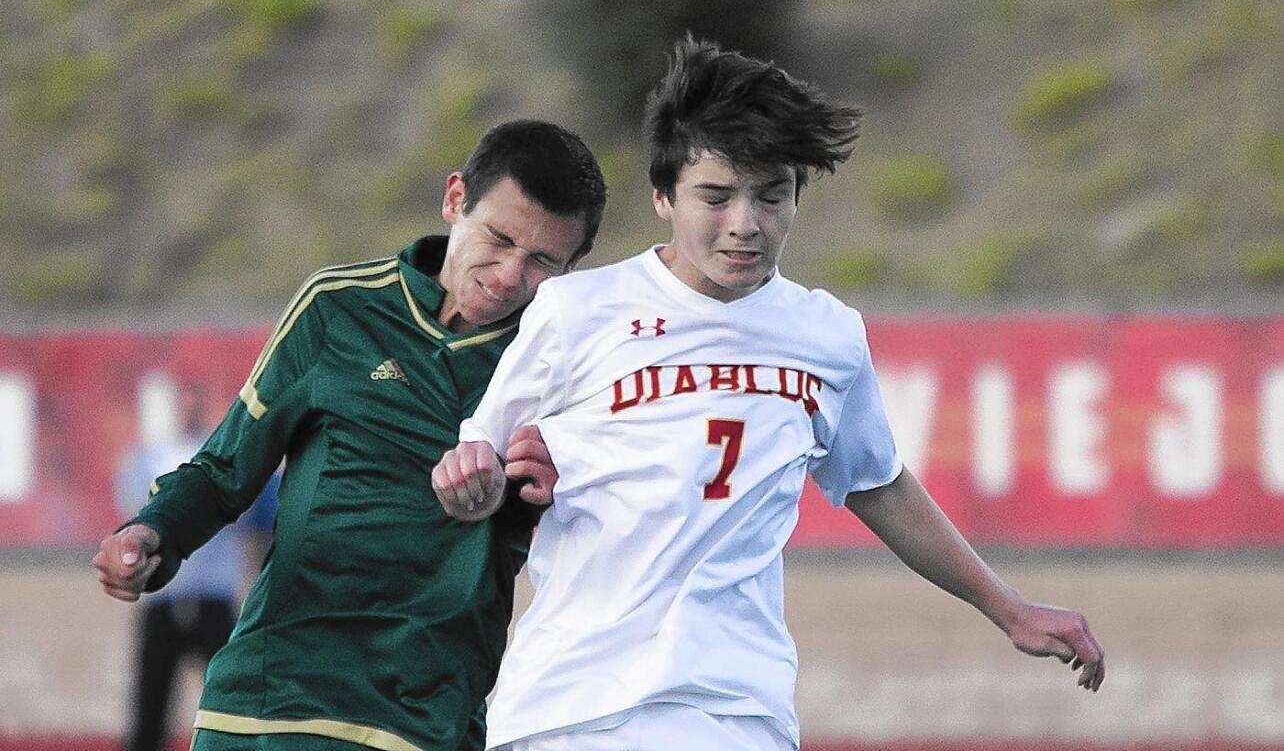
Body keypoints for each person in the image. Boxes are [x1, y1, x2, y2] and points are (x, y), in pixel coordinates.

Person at [432, 38, 1106, 751]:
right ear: (662, 196)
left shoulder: (825, 336)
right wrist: (474, 485)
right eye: (715, 196)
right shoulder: (576, 313)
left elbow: (880, 485)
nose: (745, 224)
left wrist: (1008, 609)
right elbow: (477, 462)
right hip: (570, 711)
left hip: (734, 711)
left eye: (772, 194)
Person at [93, 119, 608, 751]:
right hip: (264, 709)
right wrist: (152, 533)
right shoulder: (337, 308)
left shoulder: (572, 376)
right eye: (497, 239)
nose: (508, 275)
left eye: (542, 262)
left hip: (419, 723)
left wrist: (510, 500)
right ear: (454, 200)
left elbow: (584, 539)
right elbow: (224, 472)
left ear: (577, 266)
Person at [115, 383, 278, 751]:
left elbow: (261, 521)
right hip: (164, 597)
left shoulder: (226, 458)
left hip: (213, 597)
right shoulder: (148, 458)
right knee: (149, 710)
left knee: (236, 703)